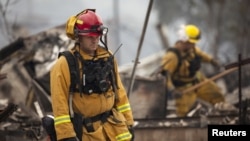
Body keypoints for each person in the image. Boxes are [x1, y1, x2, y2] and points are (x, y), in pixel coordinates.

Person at [50, 9, 134, 141]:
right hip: (87, 133)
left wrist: (129, 122)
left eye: (97, 36)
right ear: (79, 36)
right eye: (90, 36)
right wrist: (67, 136)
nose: (95, 40)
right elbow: (59, 104)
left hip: (116, 130)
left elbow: (120, 95)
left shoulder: (108, 58)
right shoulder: (65, 64)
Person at [160, 24, 225, 117]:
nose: (193, 44)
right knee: (184, 116)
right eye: (191, 42)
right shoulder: (172, 56)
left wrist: (213, 61)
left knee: (217, 97)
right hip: (184, 90)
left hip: (199, 82)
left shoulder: (192, 49)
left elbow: (202, 55)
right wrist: (173, 90)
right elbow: (165, 76)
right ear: (183, 39)